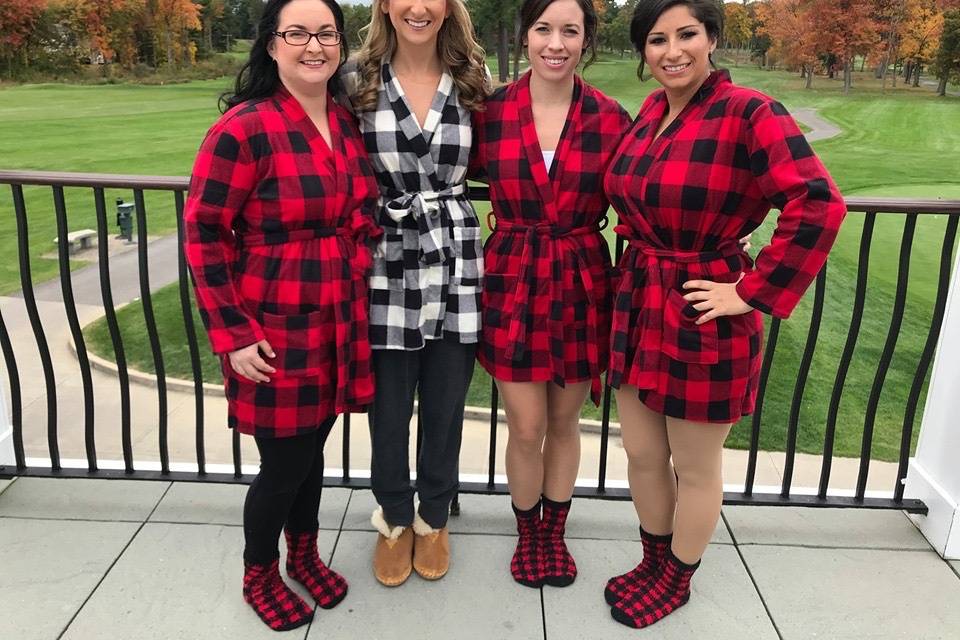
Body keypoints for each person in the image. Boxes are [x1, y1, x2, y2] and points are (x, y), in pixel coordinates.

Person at [602, 0, 846, 628]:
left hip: (701, 308)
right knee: (641, 453)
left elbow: (817, 203)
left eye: (687, 34)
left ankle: (677, 577)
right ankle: (654, 559)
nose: (672, 50)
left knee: (696, 463)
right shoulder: (652, 112)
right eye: (657, 40)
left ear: (711, 38)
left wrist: (751, 291)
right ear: (644, 51)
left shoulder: (751, 112)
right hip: (639, 295)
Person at [183, 0, 380, 630]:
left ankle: (304, 554)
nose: (314, 46)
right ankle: (259, 571)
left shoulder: (345, 122)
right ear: (272, 45)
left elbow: (363, 204)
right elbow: (205, 234)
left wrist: (362, 241)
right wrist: (233, 333)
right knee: (285, 462)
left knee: (314, 449)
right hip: (273, 322)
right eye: (296, 34)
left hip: (337, 315)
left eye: (325, 33)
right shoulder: (244, 129)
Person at [471, 0, 630, 589]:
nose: (555, 43)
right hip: (512, 277)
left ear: (586, 40)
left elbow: (646, 191)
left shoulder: (612, 118)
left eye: (570, 31)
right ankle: (526, 529)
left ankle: (552, 535)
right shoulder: (489, 113)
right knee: (524, 426)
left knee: (565, 426)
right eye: (544, 29)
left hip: (581, 279)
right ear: (526, 35)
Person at [338, 0, 490, 586]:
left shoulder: (473, 78)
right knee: (389, 407)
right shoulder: (355, 79)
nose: (419, 7)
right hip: (386, 258)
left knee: (447, 404)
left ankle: (435, 515)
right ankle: (395, 518)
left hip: (455, 258)